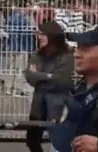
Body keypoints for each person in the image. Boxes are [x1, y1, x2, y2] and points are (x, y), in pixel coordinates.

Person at [24, 21, 74, 152]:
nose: (38, 37)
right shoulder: (37, 54)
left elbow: (61, 79)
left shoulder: (67, 55)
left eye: (42, 34)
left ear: (52, 36)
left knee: (58, 140)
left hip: (58, 102)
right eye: (38, 34)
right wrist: (49, 76)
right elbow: (29, 76)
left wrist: (40, 75)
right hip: (38, 100)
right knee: (32, 139)